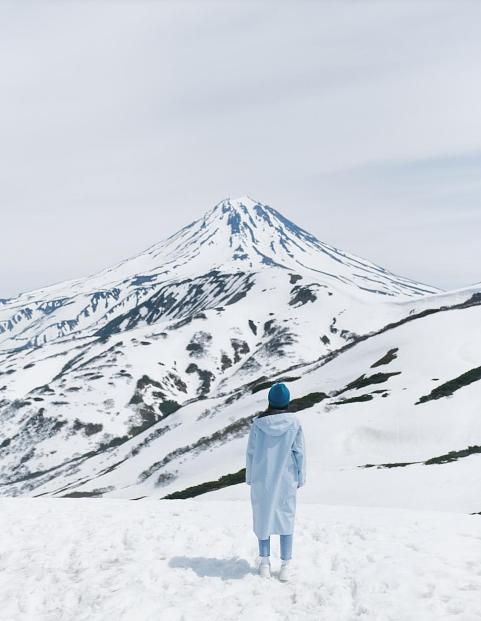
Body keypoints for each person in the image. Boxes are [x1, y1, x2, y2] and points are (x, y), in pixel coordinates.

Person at [245, 382, 306, 582]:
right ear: (287, 401)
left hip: (262, 477)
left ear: (270, 401)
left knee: (263, 518)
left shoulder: (258, 424)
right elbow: (299, 452)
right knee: (285, 519)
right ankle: (286, 565)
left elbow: (251, 453)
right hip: (286, 478)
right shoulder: (294, 423)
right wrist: (300, 476)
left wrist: (250, 477)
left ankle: (264, 563)